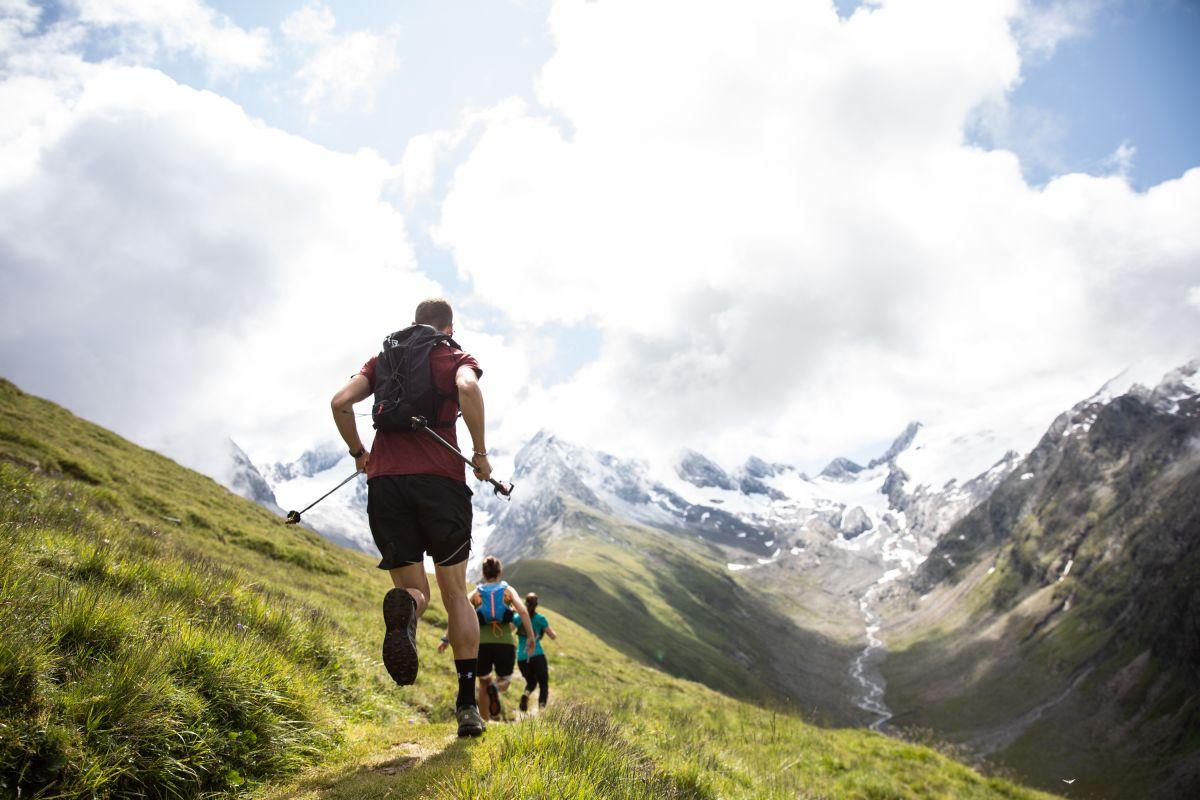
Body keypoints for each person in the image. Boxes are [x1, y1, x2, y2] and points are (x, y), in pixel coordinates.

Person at [330, 298, 492, 738]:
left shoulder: (383, 359)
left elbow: (340, 402)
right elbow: (469, 389)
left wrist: (360, 454)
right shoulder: (452, 355)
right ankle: (465, 707)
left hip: (387, 485)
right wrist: (478, 454)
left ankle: (409, 609)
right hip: (440, 484)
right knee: (456, 593)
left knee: (414, 589)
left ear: (414, 322)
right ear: (449, 326)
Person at [468, 556, 535, 721]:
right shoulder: (507, 590)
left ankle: (484, 721)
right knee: (504, 681)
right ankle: (496, 688)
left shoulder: (476, 592)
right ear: (500, 572)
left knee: (483, 683)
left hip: (481, 645)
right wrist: (531, 636)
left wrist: (446, 638)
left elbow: (460, 610)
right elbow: (523, 611)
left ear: (483, 573)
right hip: (504, 643)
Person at [516, 592, 557, 712]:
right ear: (536, 604)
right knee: (543, 684)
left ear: (525, 603)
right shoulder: (540, 619)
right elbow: (552, 636)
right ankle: (542, 710)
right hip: (537, 655)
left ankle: (526, 694)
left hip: (522, 657)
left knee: (531, 682)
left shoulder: (518, 618)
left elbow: (510, 629)